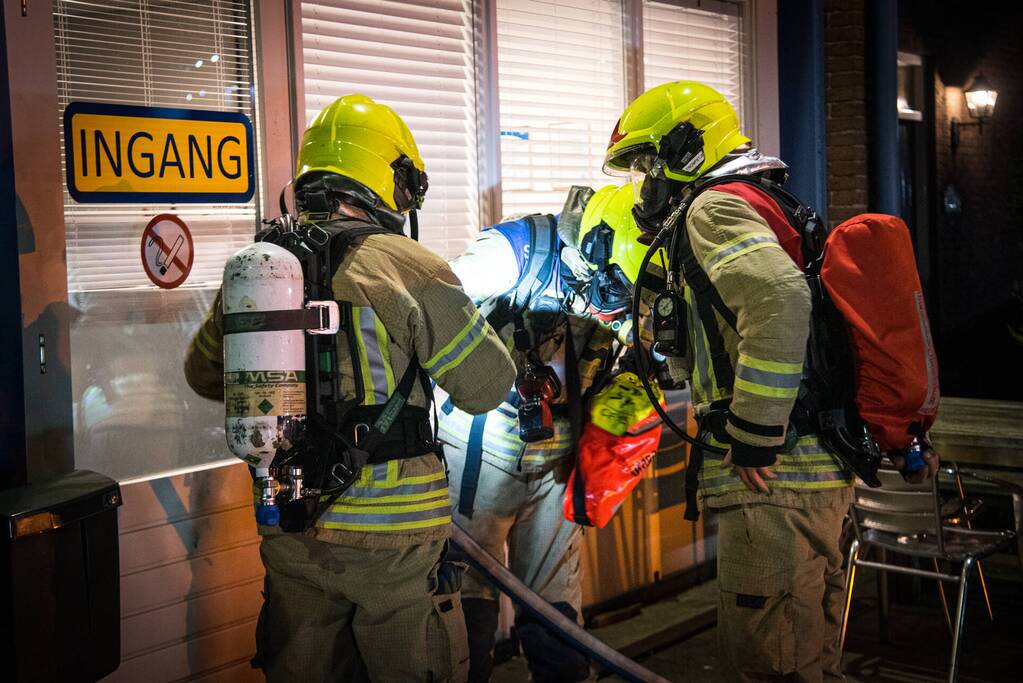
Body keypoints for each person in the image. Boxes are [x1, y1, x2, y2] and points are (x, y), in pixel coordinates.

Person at [602, 81, 940, 682]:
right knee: (809, 657)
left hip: (776, 478)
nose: (644, 185)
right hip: (810, 471)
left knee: (770, 663)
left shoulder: (713, 208)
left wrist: (755, 434)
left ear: (685, 149)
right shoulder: (763, 200)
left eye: (649, 166)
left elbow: (781, 302)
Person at [184, 94, 516, 683]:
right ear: (385, 177)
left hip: (289, 521)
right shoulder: (408, 265)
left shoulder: (262, 267)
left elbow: (203, 373)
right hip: (393, 539)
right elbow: (487, 386)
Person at [437, 183, 651, 682]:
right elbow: (432, 312)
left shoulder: (628, 268)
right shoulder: (513, 253)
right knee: (467, 603)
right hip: (478, 448)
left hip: (558, 452)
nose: (612, 309)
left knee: (555, 611)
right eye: (612, 291)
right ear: (594, 250)